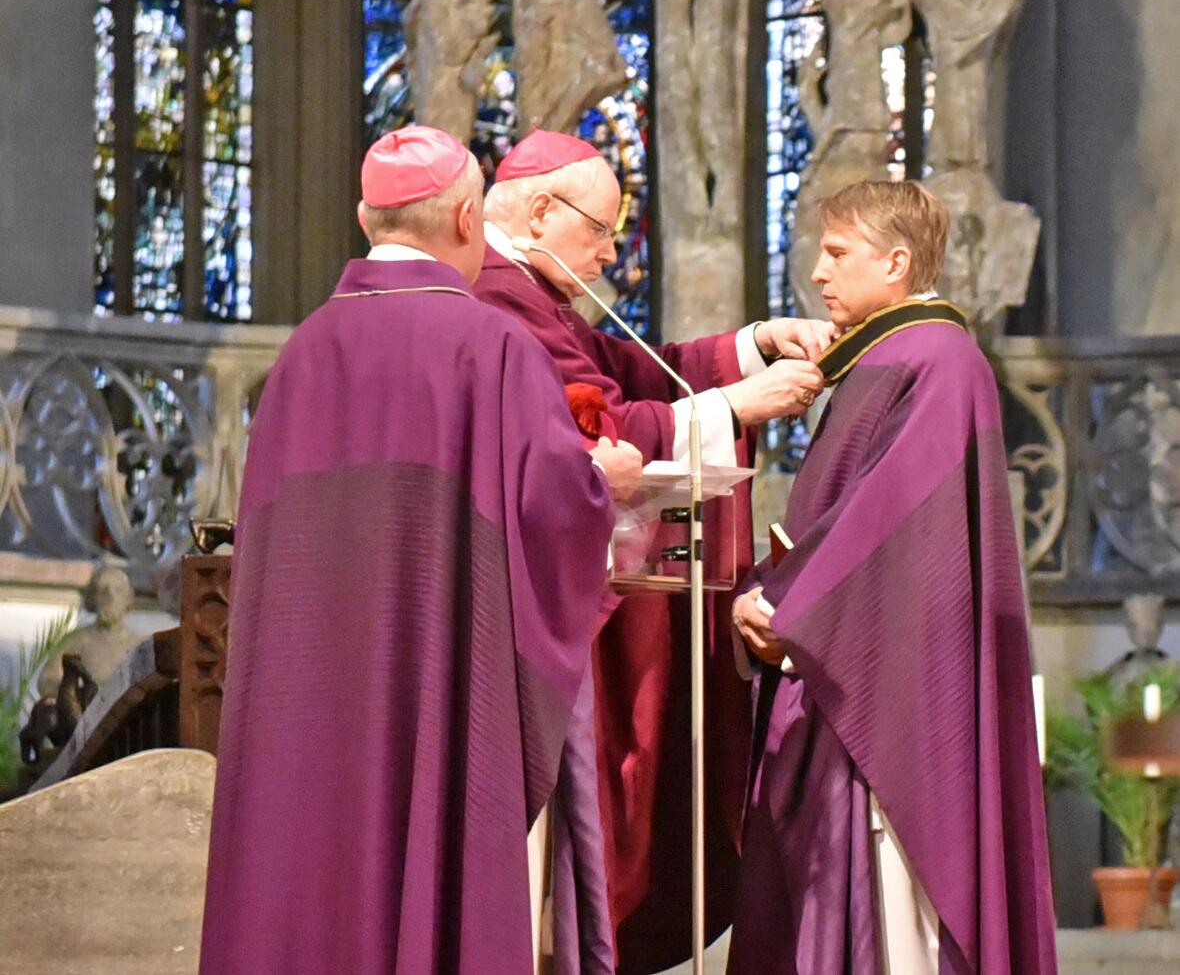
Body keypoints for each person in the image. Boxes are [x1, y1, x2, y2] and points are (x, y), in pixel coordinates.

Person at [199, 125, 644, 975]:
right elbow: (556, 517)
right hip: (430, 693)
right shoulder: (491, 346)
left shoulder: (301, 356)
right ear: (470, 220)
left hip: (313, 701)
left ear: (367, 217)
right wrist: (607, 485)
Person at [475, 128, 830, 973]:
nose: (606, 254)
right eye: (598, 231)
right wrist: (738, 405)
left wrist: (754, 343)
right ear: (536, 211)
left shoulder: (533, 290)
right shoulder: (493, 296)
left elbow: (631, 375)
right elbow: (584, 425)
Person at [729, 180, 1057, 975]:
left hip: (895, 689)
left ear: (898, 262)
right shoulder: (890, 354)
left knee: (891, 915)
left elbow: (892, 524)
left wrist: (784, 602)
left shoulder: (937, 358)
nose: (820, 272)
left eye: (839, 254)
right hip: (850, 664)